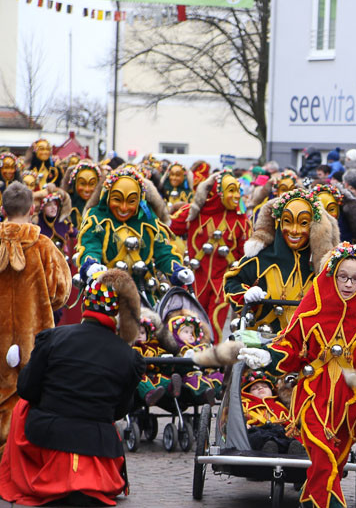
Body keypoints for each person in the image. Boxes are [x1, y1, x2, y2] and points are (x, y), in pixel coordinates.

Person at [241, 242, 356, 508]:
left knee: (335, 459)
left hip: (349, 400)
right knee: (322, 453)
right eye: (343, 277)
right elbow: (289, 346)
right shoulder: (310, 310)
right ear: (331, 274)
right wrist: (268, 357)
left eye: (355, 278)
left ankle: (310, 505)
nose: (349, 284)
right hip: (313, 393)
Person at [0, 270, 144, 506]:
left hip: (47, 435)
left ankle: (33, 477)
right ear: (115, 311)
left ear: (85, 303)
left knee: (22, 407)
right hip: (98, 443)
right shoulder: (129, 357)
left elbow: (26, 389)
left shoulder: (54, 338)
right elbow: (120, 410)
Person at [0, 182, 72, 445]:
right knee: (33, 392)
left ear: (2, 209)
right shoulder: (43, 245)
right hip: (35, 336)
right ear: (32, 209)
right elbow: (61, 291)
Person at [223, 189, 339, 332]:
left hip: (303, 345)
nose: (294, 230)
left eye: (303, 223)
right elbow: (231, 281)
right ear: (279, 222)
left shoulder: (322, 265)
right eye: (287, 222)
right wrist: (245, 294)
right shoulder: (260, 259)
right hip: (262, 341)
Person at [76, 165, 192, 303]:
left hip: (142, 294)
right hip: (104, 294)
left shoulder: (148, 220)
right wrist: (92, 264)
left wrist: (177, 271)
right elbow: (90, 245)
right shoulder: (96, 219)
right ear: (108, 197)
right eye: (117, 200)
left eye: (131, 201)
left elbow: (163, 252)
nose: (124, 208)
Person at [169, 171, 250, 337]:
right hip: (195, 280)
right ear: (217, 193)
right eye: (231, 190)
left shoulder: (241, 222)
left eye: (237, 190)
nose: (236, 195)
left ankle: (211, 360)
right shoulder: (194, 215)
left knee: (215, 326)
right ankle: (192, 355)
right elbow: (168, 226)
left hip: (222, 282)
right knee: (192, 321)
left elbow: (246, 256)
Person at [240, 371, 303, 455]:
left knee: (289, 439)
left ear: (271, 390)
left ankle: (294, 450)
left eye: (265, 386)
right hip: (257, 431)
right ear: (248, 393)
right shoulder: (244, 405)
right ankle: (269, 450)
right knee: (261, 439)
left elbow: (291, 422)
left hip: (279, 431)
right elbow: (235, 420)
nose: (260, 388)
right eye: (254, 388)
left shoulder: (280, 405)